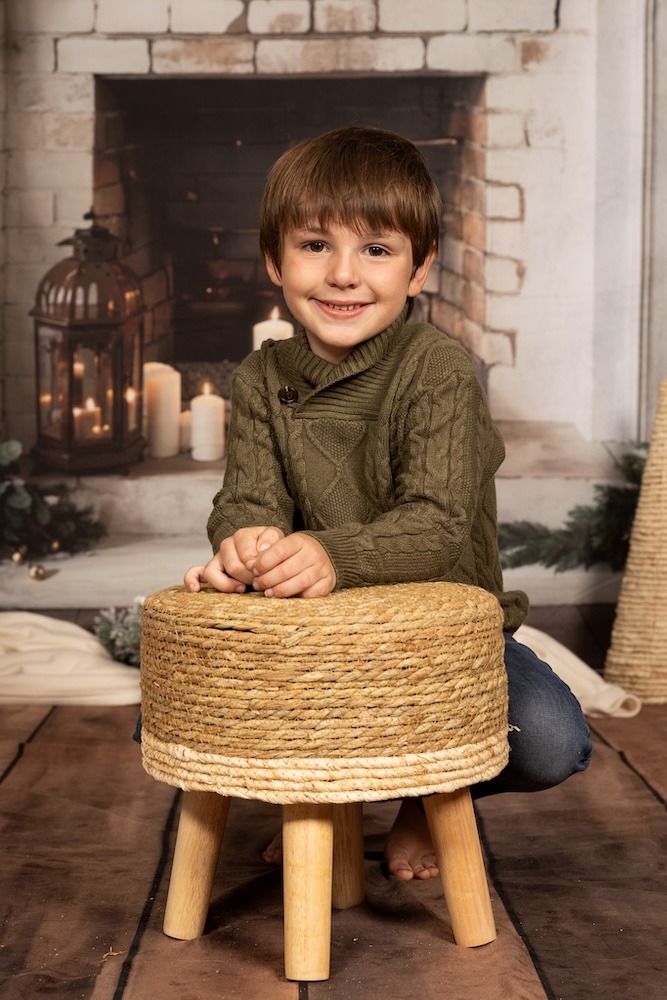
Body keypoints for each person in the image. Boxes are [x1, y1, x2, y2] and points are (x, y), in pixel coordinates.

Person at [184, 125, 592, 881]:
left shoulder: (436, 370)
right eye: (314, 246)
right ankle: (313, 803)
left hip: (444, 634)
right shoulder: (259, 376)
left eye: (376, 250)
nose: (343, 274)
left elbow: (435, 525)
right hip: (317, 643)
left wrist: (332, 553)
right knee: (167, 719)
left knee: (545, 739)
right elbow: (247, 498)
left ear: (420, 267)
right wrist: (244, 541)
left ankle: (427, 799)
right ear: (274, 260)